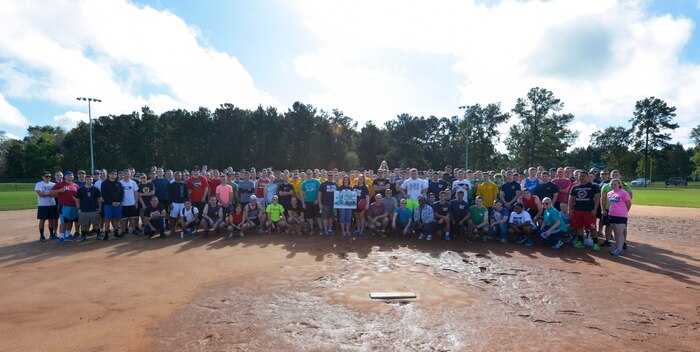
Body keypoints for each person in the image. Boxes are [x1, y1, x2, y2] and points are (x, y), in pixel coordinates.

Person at [599, 169, 633, 248]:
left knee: (622, 227)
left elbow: (629, 198)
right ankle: (608, 240)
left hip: (620, 211)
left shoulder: (625, 186)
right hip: (609, 210)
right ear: (610, 176)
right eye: (613, 175)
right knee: (608, 226)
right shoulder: (606, 186)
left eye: (616, 175)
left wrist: (625, 210)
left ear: (620, 176)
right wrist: (603, 209)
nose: (615, 177)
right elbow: (602, 199)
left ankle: (623, 242)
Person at [568, 171, 601, 250]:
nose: (581, 177)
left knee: (592, 228)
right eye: (580, 176)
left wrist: (595, 209)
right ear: (578, 177)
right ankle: (580, 242)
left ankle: (595, 244)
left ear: (587, 177)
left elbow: (597, 198)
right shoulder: (575, 187)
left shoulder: (594, 186)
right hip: (577, 210)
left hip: (589, 211)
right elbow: (571, 198)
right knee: (579, 227)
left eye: (583, 176)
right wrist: (570, 209)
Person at [51, 171, 80, 244]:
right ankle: (61, 237)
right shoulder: (60, 184)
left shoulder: (75, 185)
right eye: (68, 175)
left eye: (71, 175)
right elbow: (52, 192)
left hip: (73, 206)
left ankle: (67, 235)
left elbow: (78, 196)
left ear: (73, 176)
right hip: (64, 206)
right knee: (63, 222)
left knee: (70, 220)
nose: (70, 176)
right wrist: (59, 190)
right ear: (65, 177)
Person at [606, 178, 632, 256]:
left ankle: (619, 249)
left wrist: (624, 211)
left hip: (621, 215)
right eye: (612, 184)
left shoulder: (623, 193)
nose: (613, 186)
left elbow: (629, 203)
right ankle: (617, 247)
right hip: (612, 214)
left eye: (615, 184)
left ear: (619, 185)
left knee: (619, 233)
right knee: (615, 232)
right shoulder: (609, 193)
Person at [75, 175, 102, 242]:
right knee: (83, 224)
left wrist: (100, 208)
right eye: (87, 179)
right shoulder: (80, 190)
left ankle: (98, 235)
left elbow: (99, 199)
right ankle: (83, 236)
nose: (89, 180)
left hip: (94, 210)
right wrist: (78, 208)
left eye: (90, 179)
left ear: (92, 180)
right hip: (84, 210)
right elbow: (77, 199)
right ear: (85, 180)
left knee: (96, 224)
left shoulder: (96, 189)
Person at [35, 171, 58, 242]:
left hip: (52, 204)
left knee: (51, 220)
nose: (48, 178)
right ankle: (42, 235)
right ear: (43, 177)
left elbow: (56, 195)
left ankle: (51, 235)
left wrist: (47, 194)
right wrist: (50, 194)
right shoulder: (39, 184)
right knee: (42, 220)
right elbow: (41, 195)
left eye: (49, 176)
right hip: (43, 205)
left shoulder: (53, 184)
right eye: (46, 176)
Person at [168, 171, 190, 237]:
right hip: (174, 203)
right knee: (173, 217)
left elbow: (187, 194)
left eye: (180, 175)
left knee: (184, 216)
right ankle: (172, 229)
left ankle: (184, 228)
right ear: (175, 176)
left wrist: (187, 202)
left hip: (183, 203)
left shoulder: (184, 184)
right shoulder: (171, 185)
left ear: (181, 176)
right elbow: (170, 195)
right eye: (177, 175)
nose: (178, 176)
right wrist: (170, 203)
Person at [118, 170, 139, 238]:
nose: (127, 175)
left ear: (130, 175)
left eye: (128, 174)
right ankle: (123, 231)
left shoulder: (133, 182)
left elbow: (136, 192)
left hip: (132, 203)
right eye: (125, 174)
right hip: (123, 204)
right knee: (124, 219)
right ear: (123, 175)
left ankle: (134, 230)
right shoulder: (119, 183)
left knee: (133, 218)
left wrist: (136, 202)